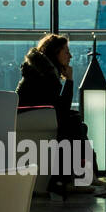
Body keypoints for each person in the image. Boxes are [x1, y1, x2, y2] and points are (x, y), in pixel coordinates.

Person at [16, 34, 93, 194]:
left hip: (31, 115)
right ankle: (72, 177)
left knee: (77, 125)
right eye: (66, 52)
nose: (70, 56)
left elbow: (58, 106)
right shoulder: (46, 75)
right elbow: (62, 107)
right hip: (32, 115)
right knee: (73, 122)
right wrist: (70, 80)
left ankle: (66, 178)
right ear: (55, 52)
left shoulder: (41, 70)